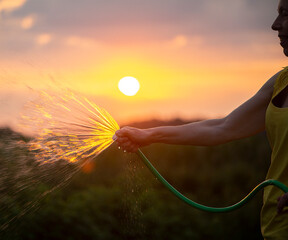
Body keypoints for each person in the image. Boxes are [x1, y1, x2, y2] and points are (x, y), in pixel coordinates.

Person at [114, 0, 288, 239]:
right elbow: (222, 128)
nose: (275, 25)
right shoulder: (281, 82)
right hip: (276, 225)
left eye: (285, 15)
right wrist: (148, 135)